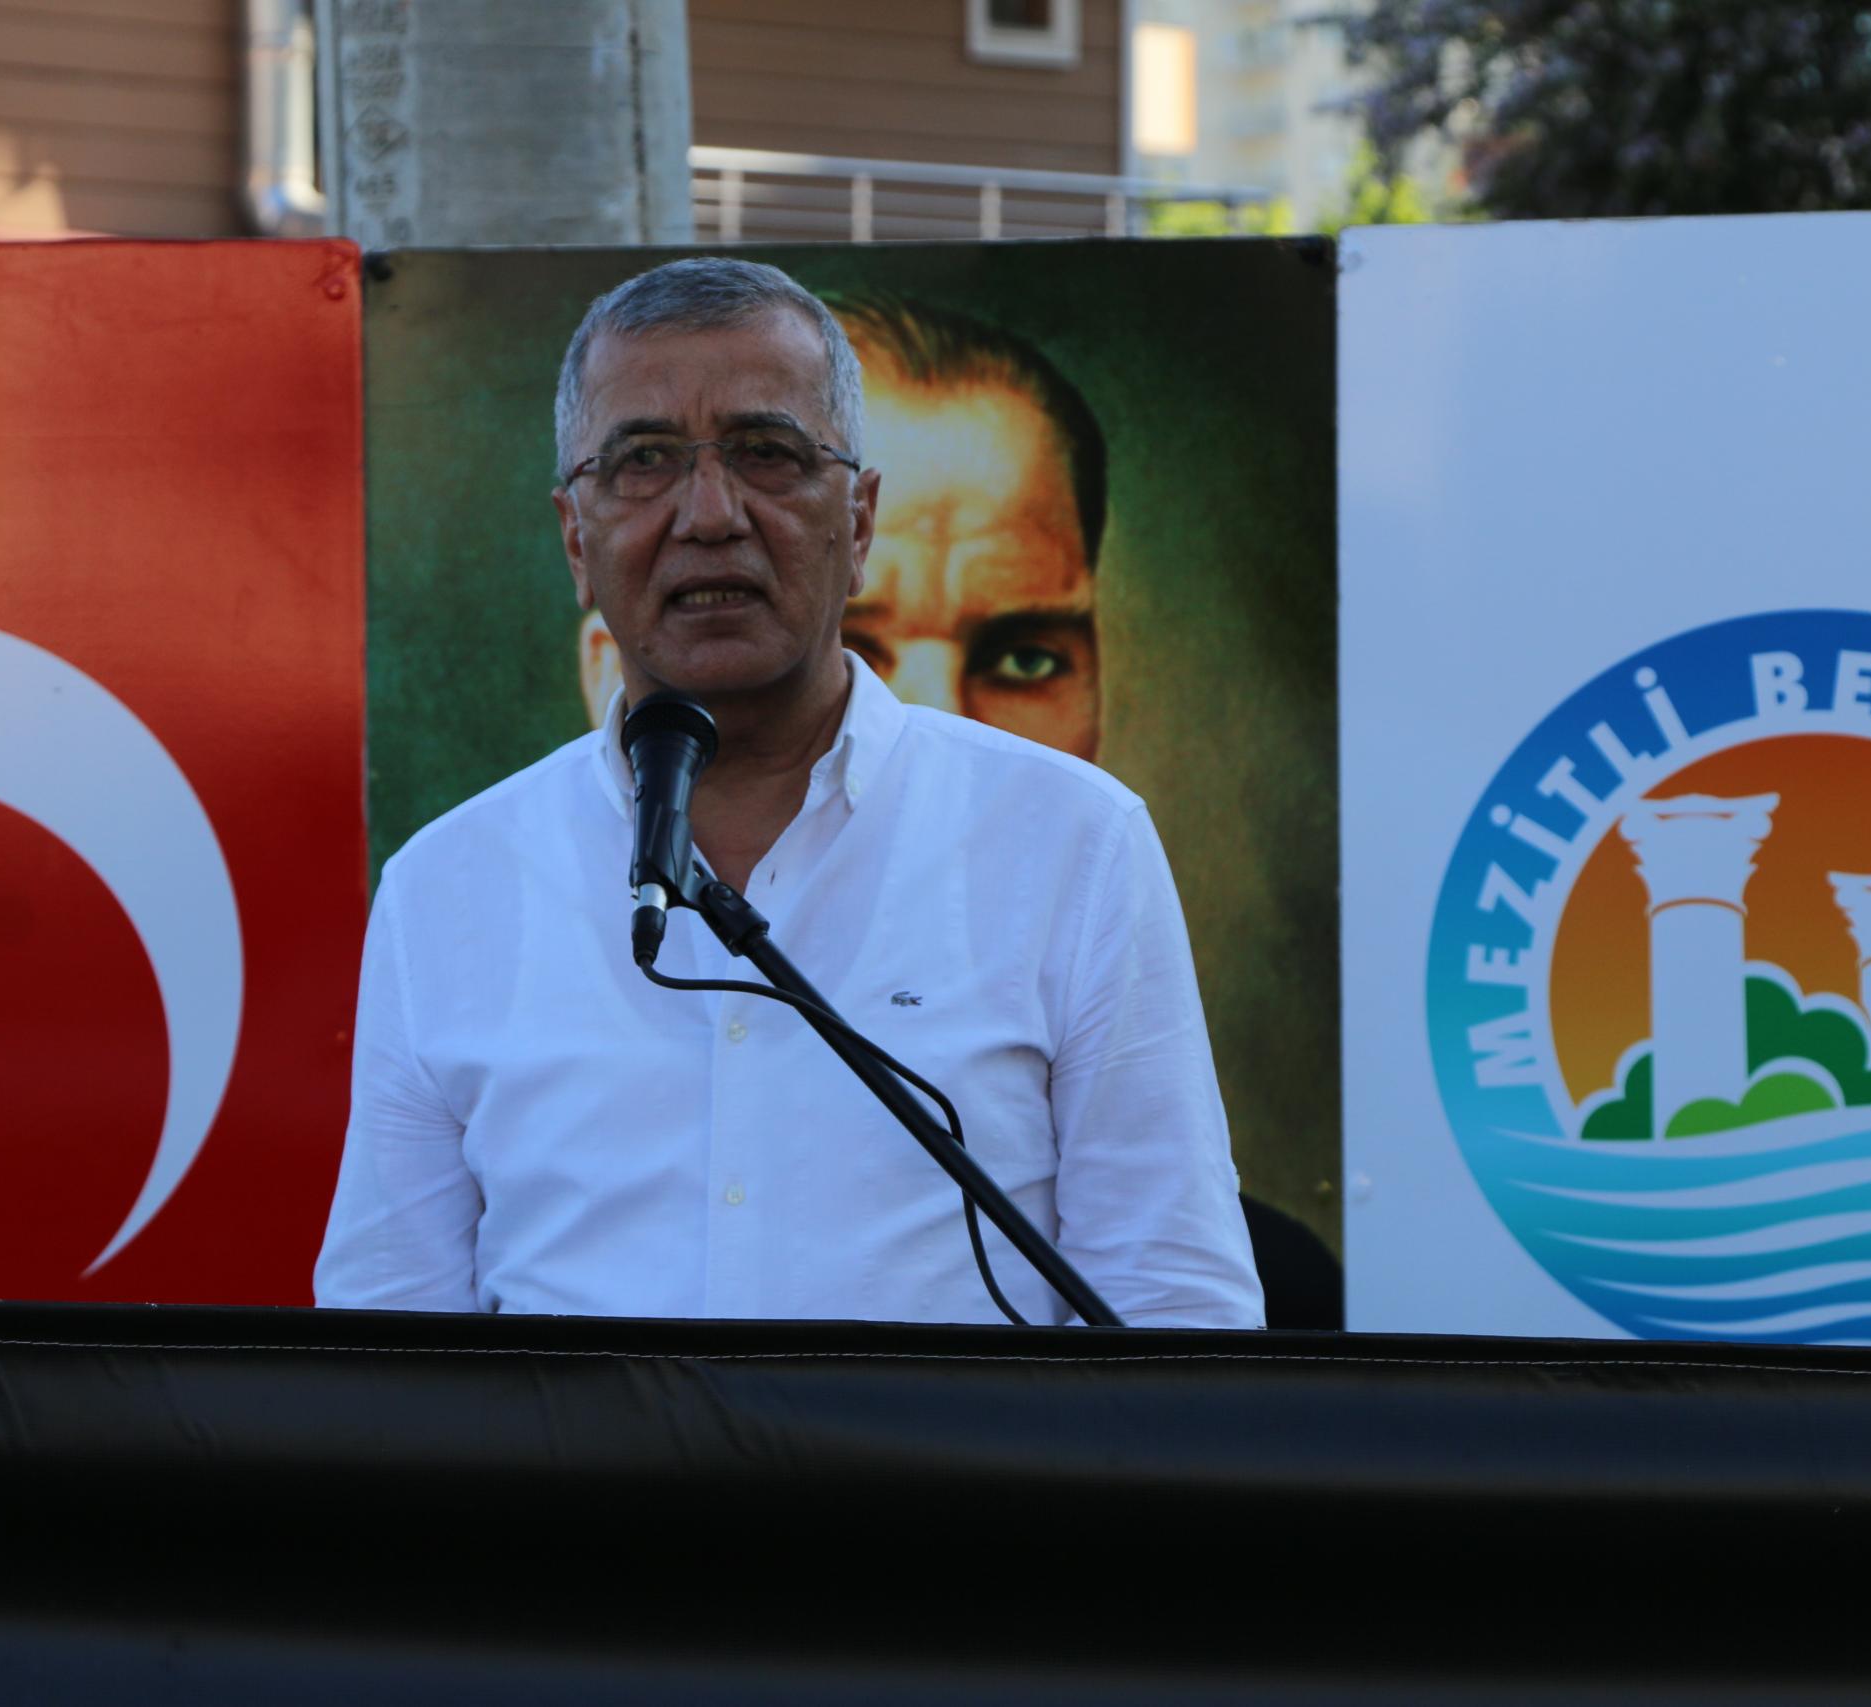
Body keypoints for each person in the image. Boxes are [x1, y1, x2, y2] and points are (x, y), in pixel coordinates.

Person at [316, 257, 1262, 1328]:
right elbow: (388, 1335)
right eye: (643, 461)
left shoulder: (1072, 843)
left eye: (767, 453)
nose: (709, 514)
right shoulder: (449, 885)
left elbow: (1171, 1309)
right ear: (576, 539)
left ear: (856, 521)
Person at [575, 294, 1104, 761]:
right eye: (851, 651)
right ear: (611, 684)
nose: (945, 719)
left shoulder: (1098, 831)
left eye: (1024, 662)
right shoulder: (525, 837)